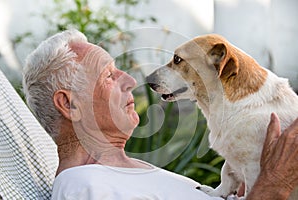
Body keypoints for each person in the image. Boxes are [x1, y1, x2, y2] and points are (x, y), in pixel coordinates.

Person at [22, 29, 298, 200]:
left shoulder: (132, 176)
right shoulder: (84, 185)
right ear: (69, 105)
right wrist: (272, 186)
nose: (129, 80)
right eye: (108, 75)